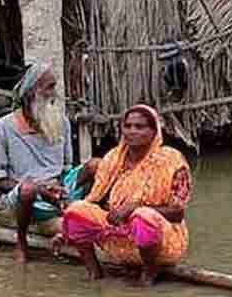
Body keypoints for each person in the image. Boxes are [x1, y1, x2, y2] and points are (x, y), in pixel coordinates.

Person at [58, 104, 191, 286]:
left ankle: (149, 274)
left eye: (139, 127)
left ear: (154, 131)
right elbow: (96, 199)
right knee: (76, 211)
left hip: (162, 242)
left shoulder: (171, 160)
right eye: (127, 126)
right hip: (119, 238)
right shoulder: (113, 158)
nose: (132, 131)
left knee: (142, 216)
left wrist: (135, 208)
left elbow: (178, 213)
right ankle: (94, 272)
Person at [0, 63, 95, 263]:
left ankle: (85, 212)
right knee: (29, 189)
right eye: (49, 87)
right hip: (24, 195)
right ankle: (21, 241)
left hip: (58, 189)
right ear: (31, 91)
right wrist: (40, 189)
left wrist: (60, 188)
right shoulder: (2, 127)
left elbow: (66, 168)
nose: (54, 94)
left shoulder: (61, 121)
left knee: (95, 166)